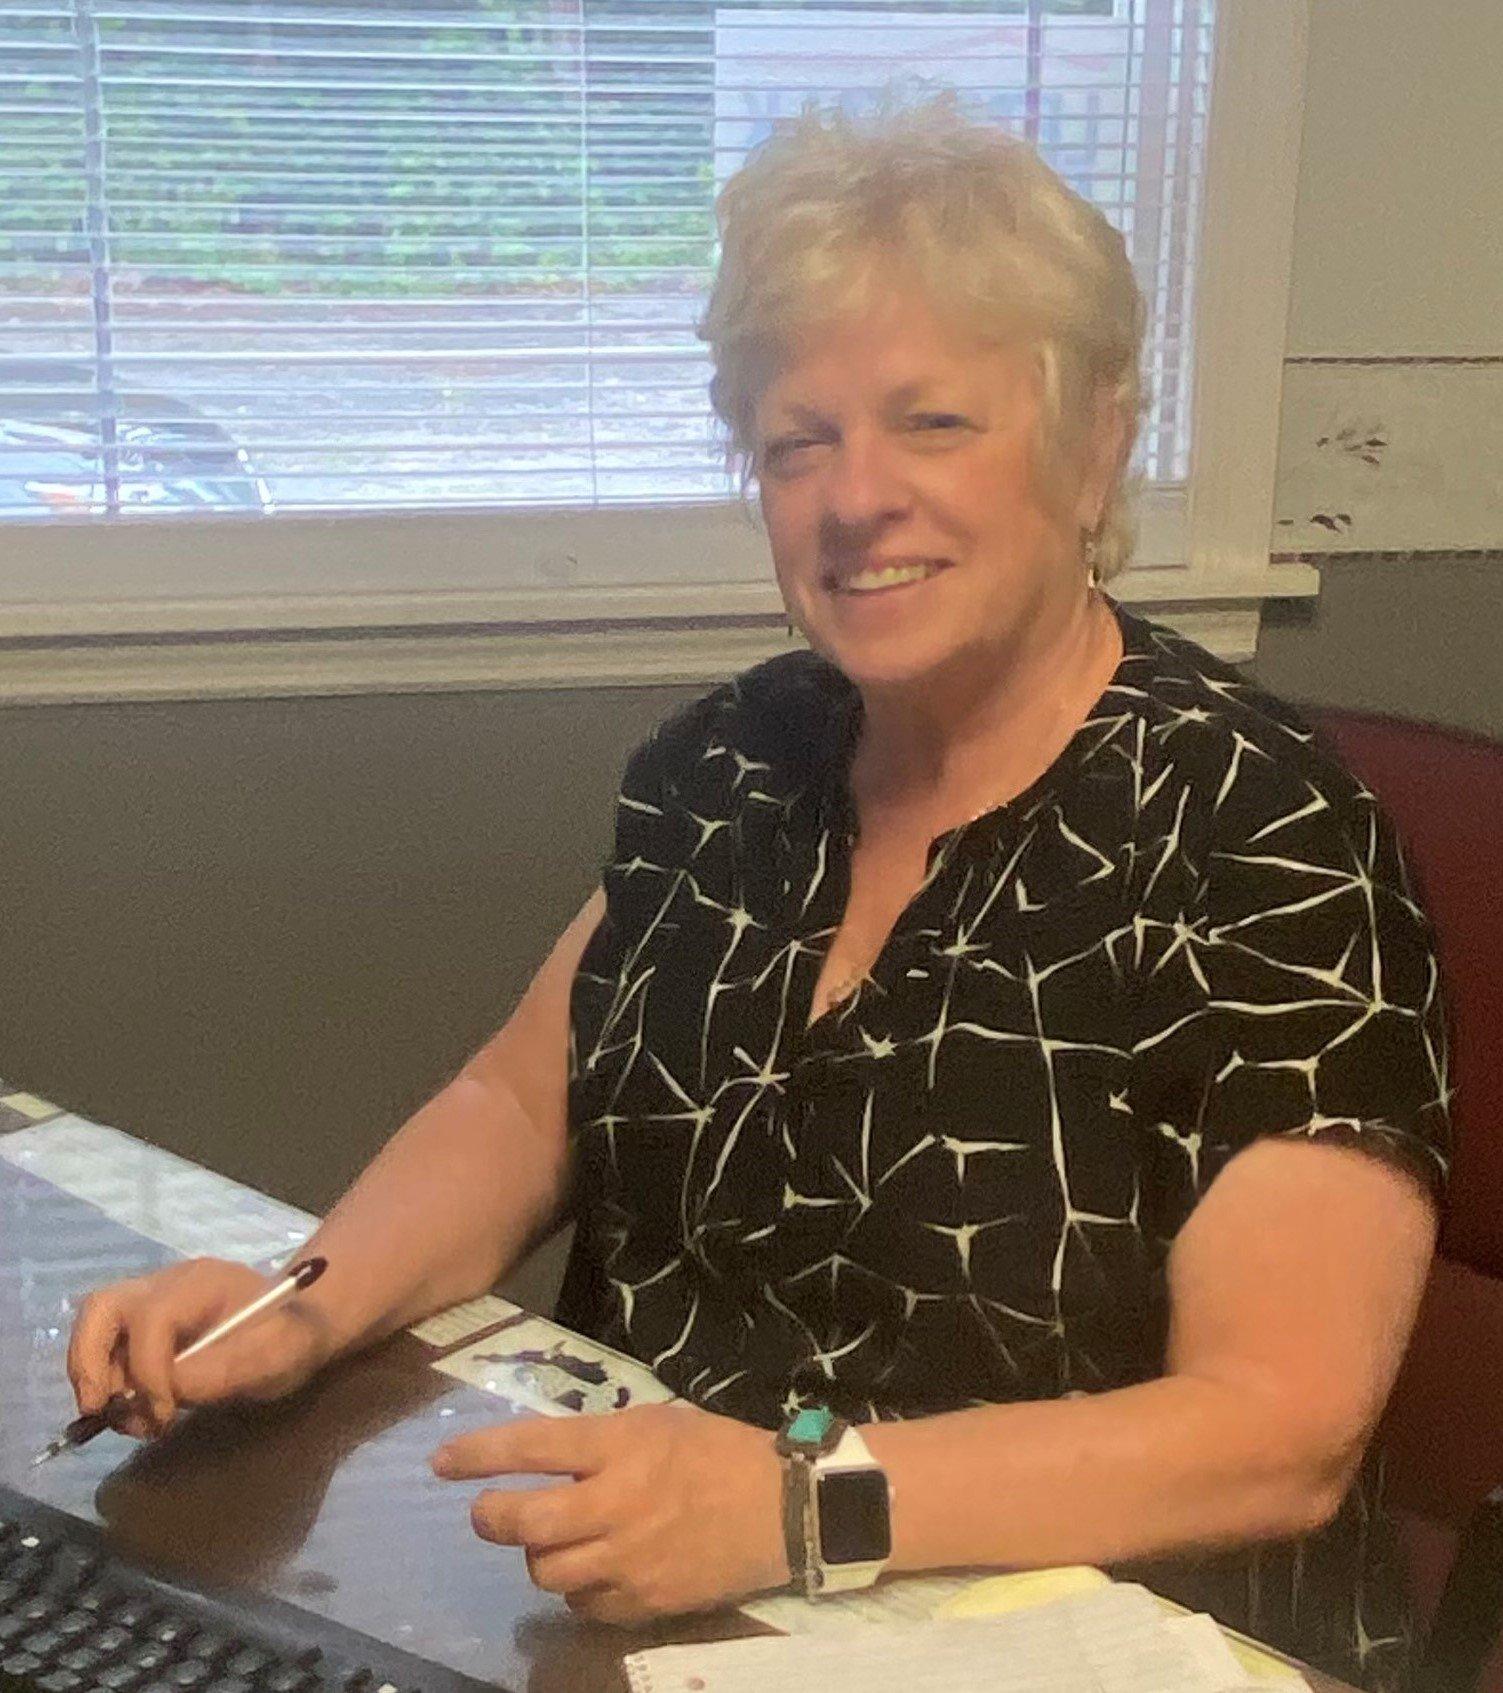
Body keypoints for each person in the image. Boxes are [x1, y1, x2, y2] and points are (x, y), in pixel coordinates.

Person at [66, 99, 1449, 1691]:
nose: (856, 497)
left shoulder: (1260, 828)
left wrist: (801, 1506)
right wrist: (297, 1308)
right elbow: (523, 1105)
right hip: (673, 1605)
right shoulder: (733, 762)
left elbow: (1274, 1433)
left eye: (933, 423)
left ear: (1098, 439)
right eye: (801, 441)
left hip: (1099, 1634)